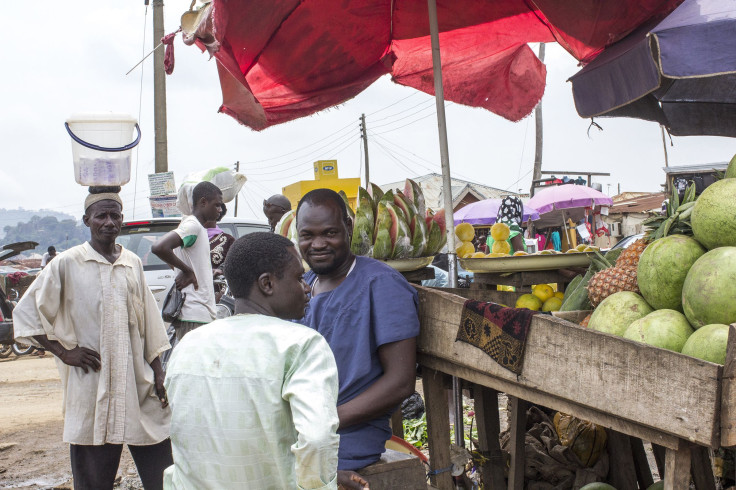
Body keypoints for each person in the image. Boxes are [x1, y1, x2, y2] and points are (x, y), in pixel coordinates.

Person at [164, 232, 369, 490]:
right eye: (298, 278)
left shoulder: (188, 345)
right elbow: (317, 440)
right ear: (267, 284)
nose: (307, 287)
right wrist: (321, 483)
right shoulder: (301, 345)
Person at [12, 186, 172, 490]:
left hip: (136, 380)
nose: (109, 222)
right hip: (90, 383)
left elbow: (149, 323)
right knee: (93, 478)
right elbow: (28, 312)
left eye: (115, 215)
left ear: (122, 220)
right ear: (87, 220)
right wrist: (64, 352)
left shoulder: (132, 263)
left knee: (162, 472)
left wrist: (159, 371)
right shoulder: (67, 263)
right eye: (102, 215)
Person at [296, 188, 419, 472]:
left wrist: (325, 421)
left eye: (329, 233)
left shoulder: (381, 285)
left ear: (348, 228)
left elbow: (400, 382)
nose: (317, 244)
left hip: (346, 438)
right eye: (307, 235)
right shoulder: (304, 284)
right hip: (301, 432)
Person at [152, 181, 223, 340]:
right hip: (194, 315)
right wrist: (187, 271)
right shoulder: (193, 225)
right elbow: (159, 247)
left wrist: (198, 271)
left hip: (199, 313)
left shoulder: (197, 227)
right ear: (203, 202)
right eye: (217, 205)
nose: (220, 210)